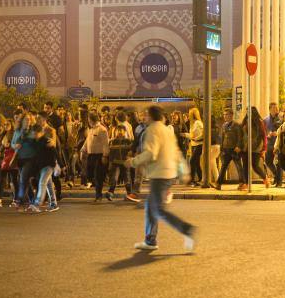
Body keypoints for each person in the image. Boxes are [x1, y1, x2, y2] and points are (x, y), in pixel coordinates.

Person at [126, 106, 196, 252]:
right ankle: (150, 240)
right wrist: (183, 172)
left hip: (159, 174)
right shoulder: (167, 130)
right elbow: (177, 153)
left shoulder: (152, 130)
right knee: (150, 208)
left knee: (158, 210)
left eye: (145, 115)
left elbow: (151, 153)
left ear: (151, 116)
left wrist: (133, 161)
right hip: (169, 173)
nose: (144, 117)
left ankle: (186, 229)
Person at [82, 112, 109, 201]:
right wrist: (83, 149)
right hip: (91, 156)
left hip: (99, 156)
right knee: (89, 174)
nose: (88, 121)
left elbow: (105, 144)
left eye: (89, 119)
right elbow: (87, 141)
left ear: (92, 120)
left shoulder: (102, 130)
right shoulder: (91, 129)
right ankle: (97, 189)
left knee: (98, 176)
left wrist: (105, 156)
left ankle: (99, 195)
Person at [240, 107, 269, 189]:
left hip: (256, 147)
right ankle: (246, 183)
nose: (248, 113)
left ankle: (265, 178)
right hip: (245, 147)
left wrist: (264, 148)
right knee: (245, 166)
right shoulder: (245, 121)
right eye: (247, 112)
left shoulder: (259, 122)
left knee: (255, 165)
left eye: (249, 112)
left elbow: (264, 136)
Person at [216, 108, 243, 190]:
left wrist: (238, 146)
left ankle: (242, 183)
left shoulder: (236, 125)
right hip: (226, 149)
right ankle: (219, 183)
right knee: (223, 166)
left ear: (231, 115)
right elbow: (222, 137)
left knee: (238, 166)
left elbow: (240, 136)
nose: (225, 116)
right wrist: (221, 148)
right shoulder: (224, 125)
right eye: (224, 114)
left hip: (234, 149)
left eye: (226, 114)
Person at [182, 108, 204, 187]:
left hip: (199, 144)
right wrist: (185, 135)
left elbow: (203, 133)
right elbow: (192, 136)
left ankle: (192, 180)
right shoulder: (193, 124)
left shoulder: (198, 123)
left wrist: (196, 138)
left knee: (192, 161)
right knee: (196, 162)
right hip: (194, 145)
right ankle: (200, 178)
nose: (188, 115)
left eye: (189, 113)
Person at [264, 103, 282, 180]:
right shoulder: (265, 120)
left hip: (278, 143)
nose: (276, 110)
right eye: (274, 108)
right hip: (269, 143)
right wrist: (268, 134)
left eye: (276, 108)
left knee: (278, 162)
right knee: (268, 161)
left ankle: (278, 180)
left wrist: (277, 133)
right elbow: (264, 131)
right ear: (270, 109)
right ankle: (276, 175)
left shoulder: (281, 119)